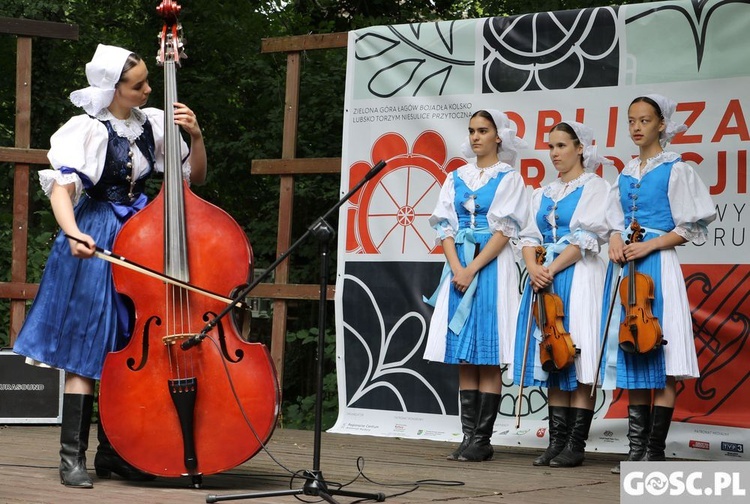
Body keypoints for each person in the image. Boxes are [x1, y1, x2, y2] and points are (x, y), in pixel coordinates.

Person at [12, 44, 206, 488]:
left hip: (140, 237)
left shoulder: (152, 124)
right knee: (88, 345)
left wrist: (196, 137)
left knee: (127, 345)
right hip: (97, 232)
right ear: (112, 87)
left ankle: (114, 453)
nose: (148, 89)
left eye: (146, 82)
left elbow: (194, 178)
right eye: (138, 84)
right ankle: (71, 458)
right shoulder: (87, 129)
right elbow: (62, 189)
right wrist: (73, 231)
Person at [602, 94, 716, 474]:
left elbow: (690, 227)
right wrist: (617, 240)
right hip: (630, 269)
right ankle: (636, 452)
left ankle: (654, 450)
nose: (636, 127)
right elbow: (614, 220)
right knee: (634, 345)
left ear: (662, 124)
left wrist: (648, 243)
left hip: (658, 264)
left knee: (662, 354)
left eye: (645, 120)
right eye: (631, 120)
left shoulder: (676, 169)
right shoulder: (624, 172)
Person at [424, 109, 529, 462]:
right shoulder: (455, 177)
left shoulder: (509, 178)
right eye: (471, 131)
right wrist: (457, 267)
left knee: (487, 355)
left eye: (483, 131)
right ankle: (468, 436)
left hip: (492, 267)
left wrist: (473, 269)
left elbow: (506, 231)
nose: (475, 137)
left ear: (499, 137)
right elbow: (446, 227)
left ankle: (482, 439)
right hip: (460, 267)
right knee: (464, 357)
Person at [513, 121, 611, 468]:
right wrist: (533, 268)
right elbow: (527, 236)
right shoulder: (541, 193)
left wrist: (550, 269)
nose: (554, 153)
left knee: (577, 351)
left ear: (580, 148)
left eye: (561, 146)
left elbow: (587, 239)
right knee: (552, 352)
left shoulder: (596, 187)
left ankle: (575, 443)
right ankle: (556, 441)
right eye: (551, 146)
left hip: (578, 275)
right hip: (544, 277)